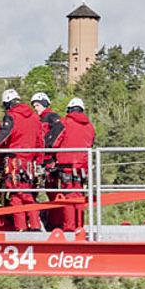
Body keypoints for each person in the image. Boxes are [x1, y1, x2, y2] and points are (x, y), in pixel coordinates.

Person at [0, 92, 50, 231]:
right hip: (30, 163)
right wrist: (39, 160)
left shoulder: (11, 116)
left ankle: (23, 227)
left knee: (16, 194)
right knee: (27, 193)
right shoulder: (35, 117)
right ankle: (33, 224)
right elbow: (40, 141)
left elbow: (6, 133)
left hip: (14, 162)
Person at [43, 97, 96, 231]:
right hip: (83, 168)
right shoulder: (90, 127)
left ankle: (69, 228)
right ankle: (80, 226)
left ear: (69, 110)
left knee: (68, 197)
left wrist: (48, 159)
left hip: (66, 166)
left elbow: (52, 143)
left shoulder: (64, 123)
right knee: (79, 196)